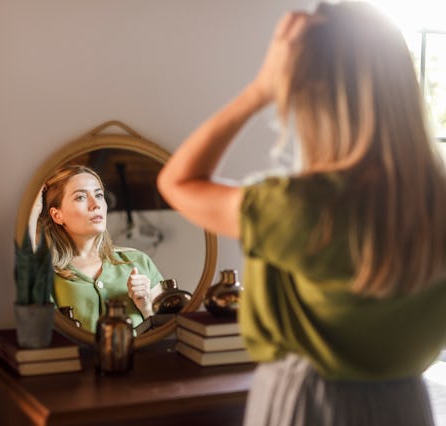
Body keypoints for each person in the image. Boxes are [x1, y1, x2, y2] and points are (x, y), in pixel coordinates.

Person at [157, 2, 446, 425]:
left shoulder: (301, 206)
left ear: (309, 98)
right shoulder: (436, 203)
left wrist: (260, 89)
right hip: (405, 405)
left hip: (308, 404)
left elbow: (176, 182)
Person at [38, 164, 164, 333]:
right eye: (81, 197)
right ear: (57, 215)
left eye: (98, 195)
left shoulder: (139, 261)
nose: (95, 204)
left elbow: (166, 336)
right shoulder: (47, 275)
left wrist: (146, 307)